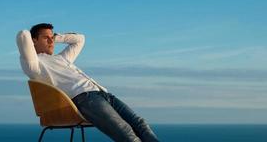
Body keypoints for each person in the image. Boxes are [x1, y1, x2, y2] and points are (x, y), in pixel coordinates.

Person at [16, 23, 160, 142]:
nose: (51, 41)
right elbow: (23, 34)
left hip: (103, 93)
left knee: (140, 124)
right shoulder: (34, 64)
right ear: (33, 40)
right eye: (46, 38)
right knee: (125, 131)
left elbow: (80, 39)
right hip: (84, 99)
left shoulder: (62, 58)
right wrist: (34, 37)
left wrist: (57, 37)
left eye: (51, 37)